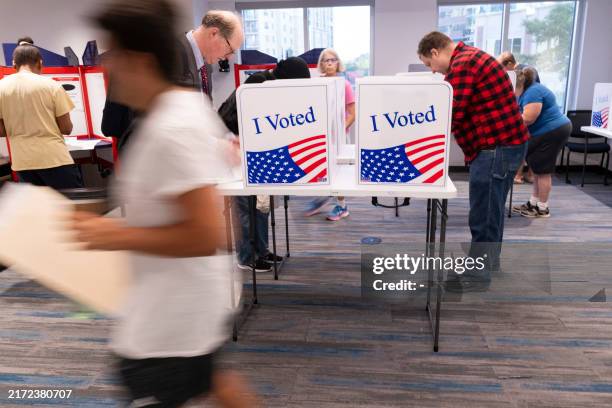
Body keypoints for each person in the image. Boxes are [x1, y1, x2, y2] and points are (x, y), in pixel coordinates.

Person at [72, 1, 259, 406]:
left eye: (111, 55)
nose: (105, 67)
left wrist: (113, 233)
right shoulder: (176, 110)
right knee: (214, 382)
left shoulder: (171, 125)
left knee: (201, 382)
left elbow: (206, 233)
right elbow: (220, 227)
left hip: (170, 321)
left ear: (136, 59)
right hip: (174, 309)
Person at [418, 32, 529, 291]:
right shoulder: (471, 57)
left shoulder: (463, 65)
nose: (433, 71)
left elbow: (452, 112)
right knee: (493, 210)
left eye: (428, 64)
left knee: (484, 214)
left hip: (496, 148)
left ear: (435, 52)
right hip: (505, 145)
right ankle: (489, 264)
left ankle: (477, 277)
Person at [218, 57, 311, 272]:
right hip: (235, 147)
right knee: (245, 206)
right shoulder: (258, 83)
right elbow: (248, 121)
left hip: (253, 151)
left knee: (260, 206)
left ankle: (261, 250)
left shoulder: (268, 84)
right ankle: (246, 256)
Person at [0, 45, 82, 190]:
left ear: (14, 64)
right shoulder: (52, 86)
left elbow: (1, 131)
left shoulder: (1, 87)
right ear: (40, 63)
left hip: (22, 162)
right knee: (71, 206)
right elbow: (66, 128)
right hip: (54, 159)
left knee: (39, 209)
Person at [512, 68, 571, 218]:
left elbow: (528, 118)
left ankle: (543, 208)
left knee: (543, 171)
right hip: (545, 131)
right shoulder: (527, 91)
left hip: (553, 130)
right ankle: (534, 203)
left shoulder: (533, 91)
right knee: (537, 169)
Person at [304, 48, 356, 221]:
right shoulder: (318, 83)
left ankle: (342, 207)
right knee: (321, 169)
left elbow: (352, 113)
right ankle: (321, 199)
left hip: (339, 137)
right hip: (322, 135)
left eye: (332, 60)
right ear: (321, 64)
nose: (329, 63)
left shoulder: (345, 85)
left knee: (339, 173)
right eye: (326, 60)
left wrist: (340, 130)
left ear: (338, 63)